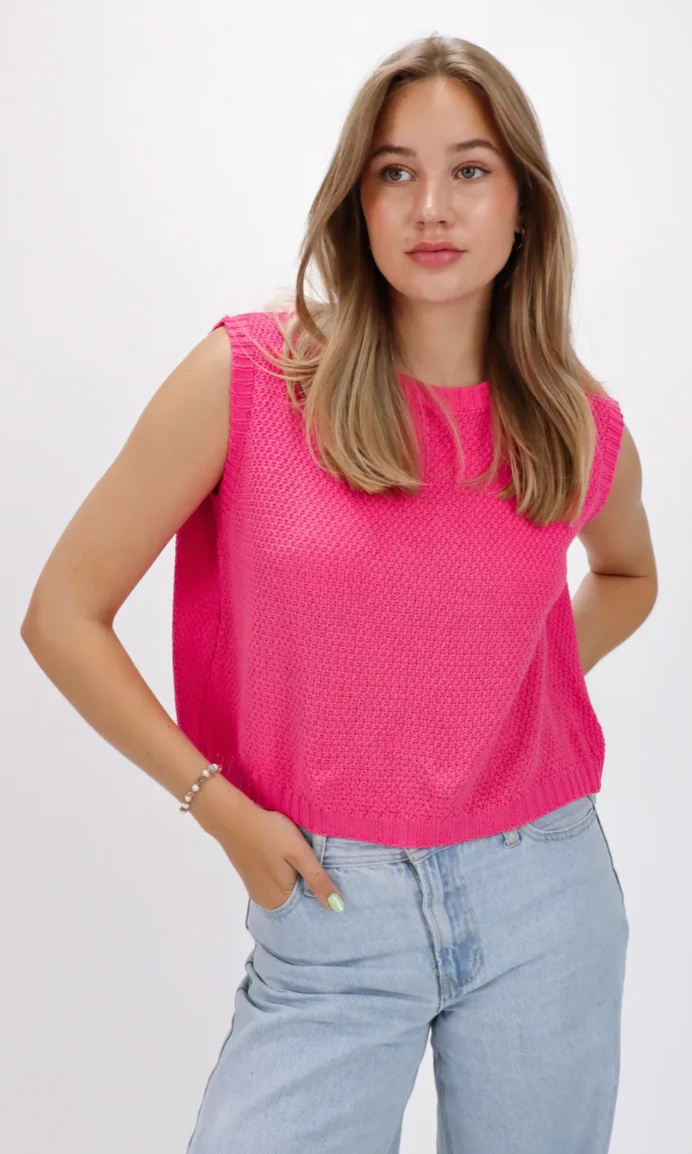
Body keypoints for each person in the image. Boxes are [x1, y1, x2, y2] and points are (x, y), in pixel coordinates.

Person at [21, 33, 657, 1154]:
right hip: (327, 904)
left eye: (469, 169)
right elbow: (62, 612)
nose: (430, 206)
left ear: (523, 206)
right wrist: (215, 804)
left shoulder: (575, 422)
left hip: (545, 897)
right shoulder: (251, 379)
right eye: (394, 171)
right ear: (356, 203)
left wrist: (516, 672)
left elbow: (628, 575)